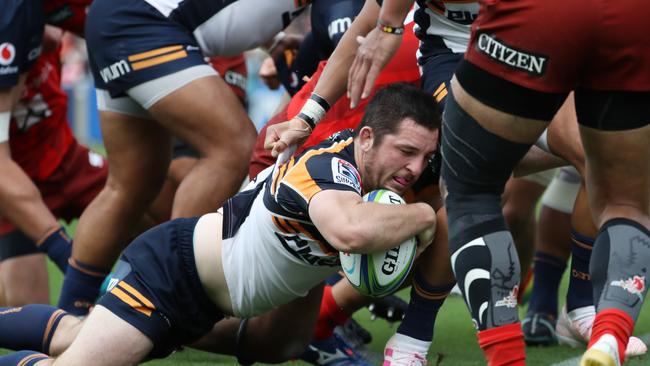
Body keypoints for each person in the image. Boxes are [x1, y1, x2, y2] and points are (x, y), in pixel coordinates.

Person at [0, 83, 440, 366]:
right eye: (405, 151)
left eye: (424, 157)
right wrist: (422, 215)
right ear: (366, 138)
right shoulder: (328, 172)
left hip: (205, 300)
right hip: (172, 276)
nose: (416, 168)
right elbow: (352, 233)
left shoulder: (368, 179)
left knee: (75, 335)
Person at [346, 1, 650, 365]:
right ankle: (414, 332)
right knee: (480, 185)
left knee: (582, 158)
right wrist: (312, 109)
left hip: (546, 39)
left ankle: (583, 307)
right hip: (464, 55)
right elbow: (361, 27)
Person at [57, 0, 310, 315]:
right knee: (233, 147)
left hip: (119, 21)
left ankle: (68, 314)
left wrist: (275, 43)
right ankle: (161, 296)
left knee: (131, 185)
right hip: (144, 25)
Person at [0, 27, 108, 307]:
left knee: (147, 198)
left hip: (70, 161)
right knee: (32, 321)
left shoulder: (35, 20)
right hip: (14, 186)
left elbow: (55, 34)